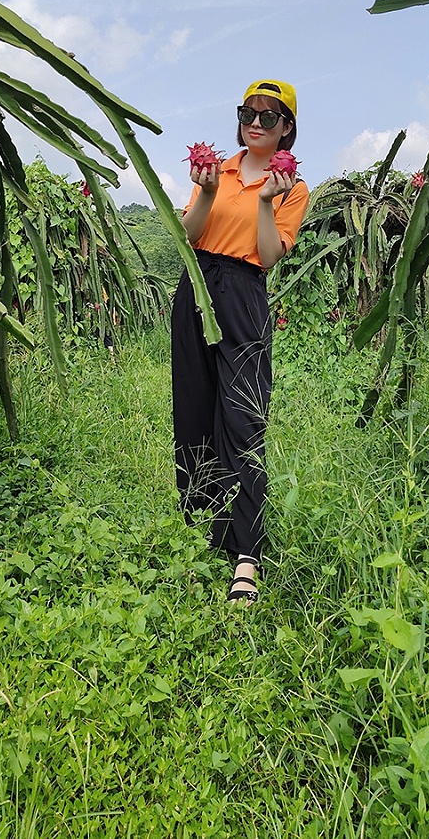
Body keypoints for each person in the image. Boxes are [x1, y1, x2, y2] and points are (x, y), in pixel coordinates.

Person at [171, 79, 309, 605]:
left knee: (243, 418)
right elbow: (189, 235)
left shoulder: (293, 187)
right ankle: (200, 529)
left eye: (268, 116)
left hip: (244, 293)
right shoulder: (218, 170)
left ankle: (246, 555)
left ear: (286, 128)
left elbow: (269, 256)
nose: (255, 123)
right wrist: (206, 192)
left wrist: (267, 203)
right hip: (195, 285)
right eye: (248, 113)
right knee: (193, 410)